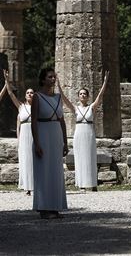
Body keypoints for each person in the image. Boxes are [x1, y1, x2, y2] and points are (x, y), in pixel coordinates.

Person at [57, 72, 109, 191]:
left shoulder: (92, 107)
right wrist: (59, 87)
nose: (83, 95)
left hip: (89, 133)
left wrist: (105, 83)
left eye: (84, 94)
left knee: (90, 157)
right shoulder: (75, 108)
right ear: (78, 96)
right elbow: (65, 100)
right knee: (80, 158)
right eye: (80, 94)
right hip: (79, 134)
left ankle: (92, 184)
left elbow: (100, 97)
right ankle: (81, 184)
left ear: (88, 96)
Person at [30, 68, 68, 218]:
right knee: (44, 171)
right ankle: (44, 208)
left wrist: (65, 142)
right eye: (50, 77)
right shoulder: (37, 97)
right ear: (43, 79)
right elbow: (33, 121)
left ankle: (55, 206)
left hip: (56, 136)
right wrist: (37, 143)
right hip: (43, 135)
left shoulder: (58, 98)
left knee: (56, 172)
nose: (53, 79)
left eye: (54, 77)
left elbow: (62, 121)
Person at [2, 73, 34, 195]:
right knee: (25, 159)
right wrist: (7, 81)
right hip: (24, 136)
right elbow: (10, 94)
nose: (30, 94)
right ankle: (27, 186)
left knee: (34, 160)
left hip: (34, 135)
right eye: (28, 93)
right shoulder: (21, 107)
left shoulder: (38, 107)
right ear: (25, 96)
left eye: (32, 93)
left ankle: (35, 185)